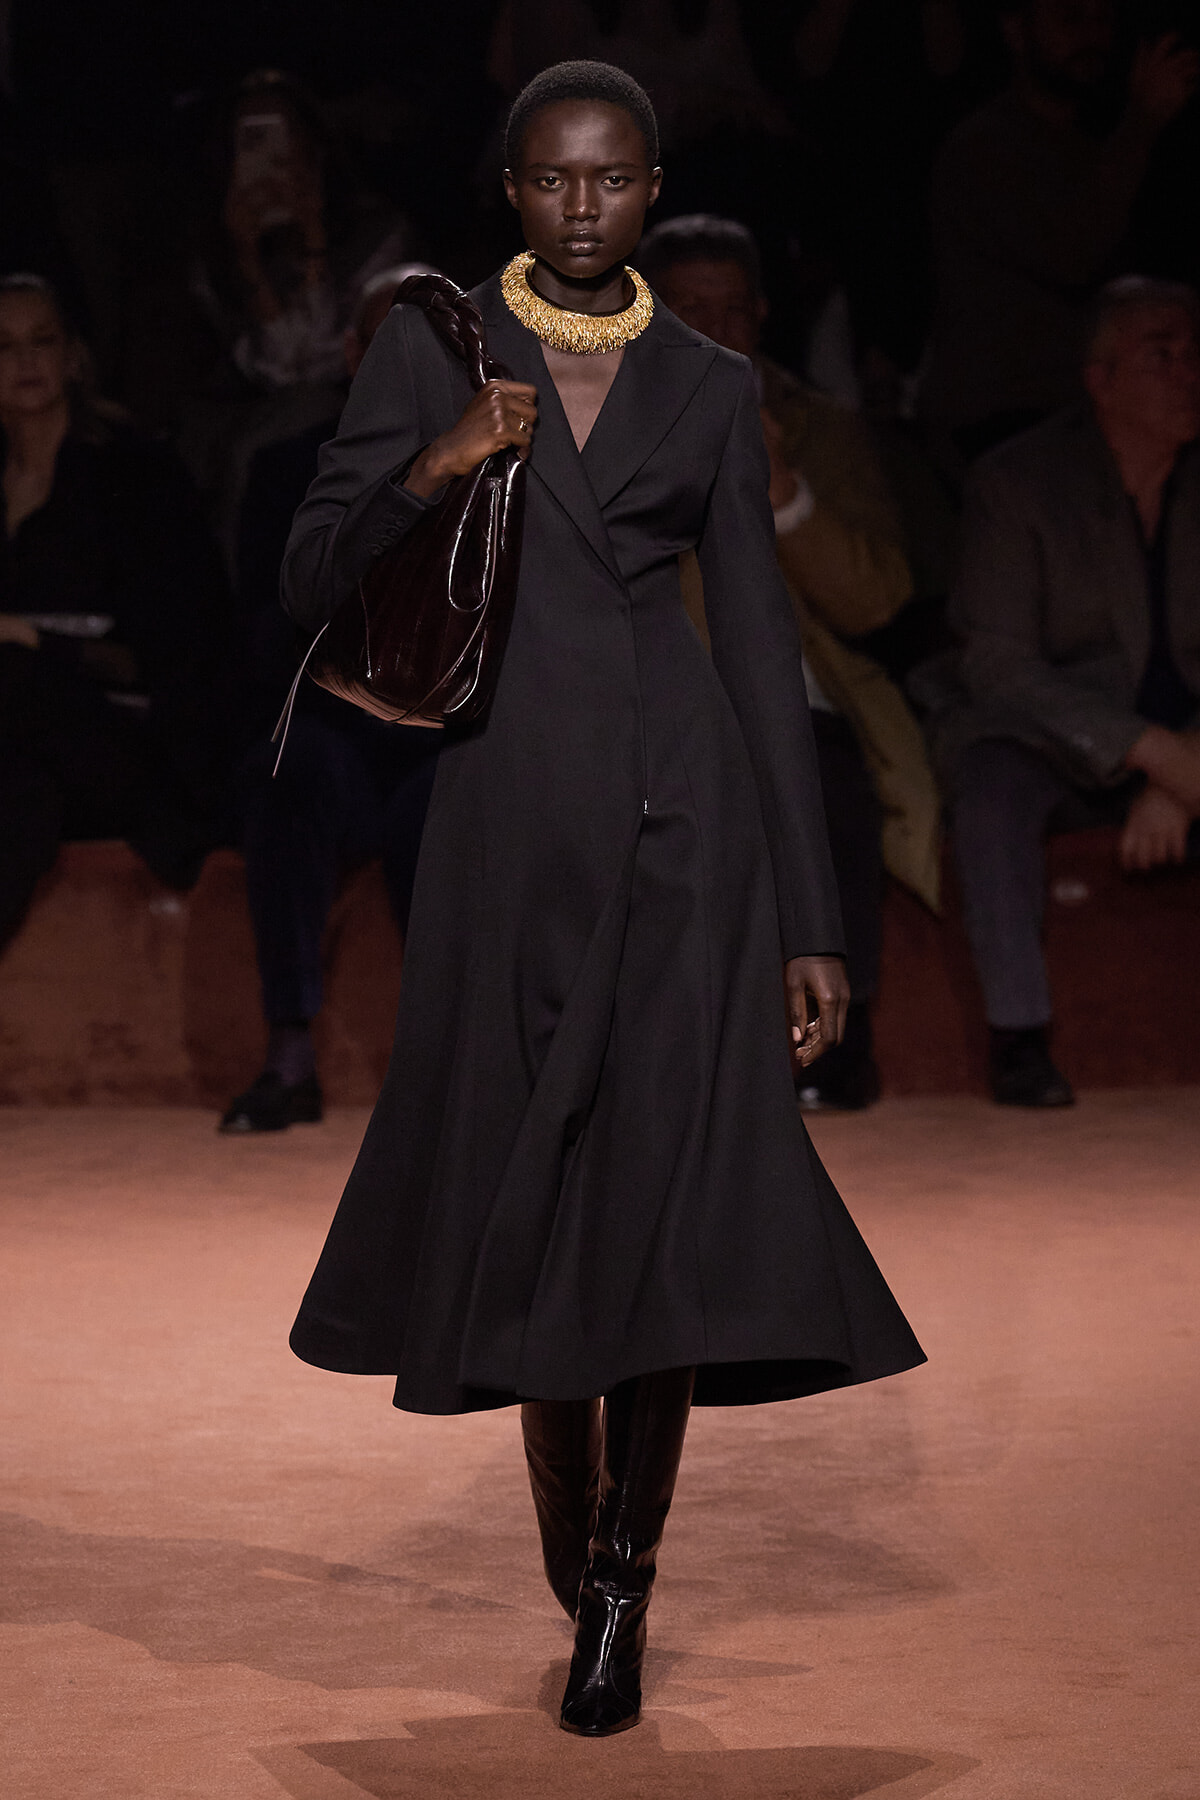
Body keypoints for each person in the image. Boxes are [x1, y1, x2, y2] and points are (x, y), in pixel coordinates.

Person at [282, 61, 924, 1737]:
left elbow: (768, 647)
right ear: (512, 187)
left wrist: (808, 917)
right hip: (502, 835)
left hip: (682, 823)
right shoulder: (434, 344)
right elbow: (306, 569)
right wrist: (434, 460)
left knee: (659, 1218)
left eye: (616, 180)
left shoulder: (709, 383)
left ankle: (625, 1582)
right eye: (556, 180)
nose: (585, 207)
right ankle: (576, 1541)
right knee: (527, 1209)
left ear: (650, 190)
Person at [637, 214, 941, 1108]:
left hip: (803, 702)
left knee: (822, 787)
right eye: (687, 309)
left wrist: (784, 495)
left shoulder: (821, 428)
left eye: (731, 310)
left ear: (763, 316)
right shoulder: (601, 427)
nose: (712, 330)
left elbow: (877, 598)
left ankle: (835, 1043)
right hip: (653, 702)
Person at [941, 277, 1200, 1106]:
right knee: (989, 784)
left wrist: (1185, 769)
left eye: (1198, 354)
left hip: (1187, 739)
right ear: (1102, 378)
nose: (1190, 372)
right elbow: (998, 664)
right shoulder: (1020, 483)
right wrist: (1151, 753)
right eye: (1165, 355)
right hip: (1058, 735)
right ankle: (1018, 1038)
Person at [220, 266, 443, 1133]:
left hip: (447, 736)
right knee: (288, 765)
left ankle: (448, 1069)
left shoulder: (503, 477)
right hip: (333, 727)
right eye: (388, 343)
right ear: (352, 354)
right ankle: (288, 1051)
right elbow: (268, 635)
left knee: (459, 793)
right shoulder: (287, 473)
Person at [0, 273, 228, 954]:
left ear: (73, 355)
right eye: (6, 346)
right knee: (21, 797)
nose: (28, 361)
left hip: (129, 738)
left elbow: (180, 651)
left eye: (43, 341)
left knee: (12, 680)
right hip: (27, 751)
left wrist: (32, 640)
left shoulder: (135, 476)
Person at [922, 0, 1199, 464]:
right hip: (1010, 420)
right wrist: (1142, 121)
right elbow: (1071, 254)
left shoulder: (1097, 144)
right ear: (1016, 29)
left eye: (1102, 20)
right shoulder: (986, 146)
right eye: (1071, 19)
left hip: (1100, 412)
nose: (1090, 37)